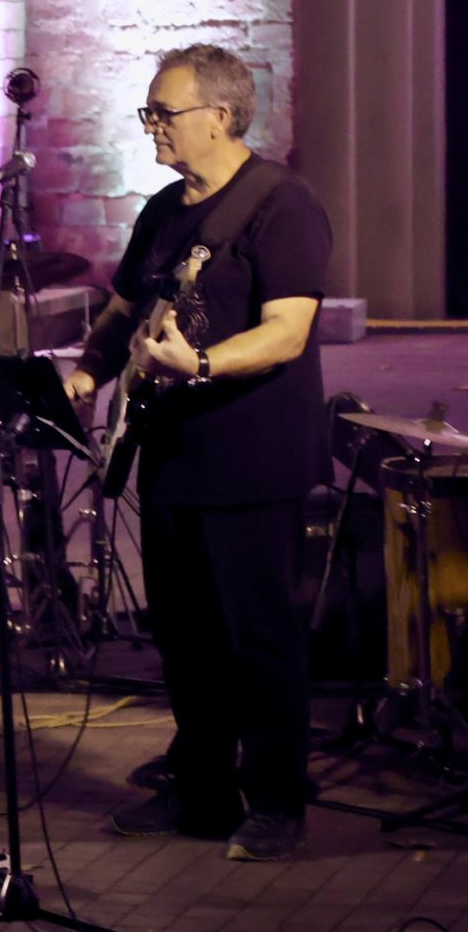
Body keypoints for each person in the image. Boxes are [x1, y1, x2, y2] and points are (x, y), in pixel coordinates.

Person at [66, 44, 331, 863]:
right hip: (173, 457)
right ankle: (205, 791)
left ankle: (278, 802)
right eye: (147, 112)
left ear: (219, 116)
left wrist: (202, 363)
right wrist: (87, 373)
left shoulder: (281, 203)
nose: (151, 126)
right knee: (186, 638)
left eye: (164, 112)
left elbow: (288, 330)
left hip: (255, 456)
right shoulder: (162, 210)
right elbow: (122, 309)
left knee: (262, 639)